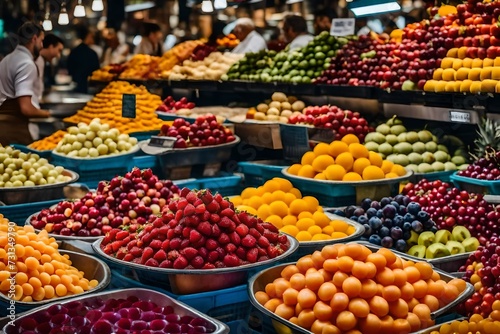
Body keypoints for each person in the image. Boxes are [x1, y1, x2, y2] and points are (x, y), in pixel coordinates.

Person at [0, 22, 51, 145]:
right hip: (13, 131)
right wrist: (48, 114)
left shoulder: (7, 59)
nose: (42, 45)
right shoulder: (26, 64)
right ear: (34, 38)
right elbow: (26, 108)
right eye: (41, 40)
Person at [67, 25, 100, 94]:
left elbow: (69, 69)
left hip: (75, 87)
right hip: (89, 88)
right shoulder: (92, 53)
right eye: (92, 36)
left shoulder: (74, 51)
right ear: (88, 36)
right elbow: (96, 72)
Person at [34, 33, 64, 105]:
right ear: (51, 47)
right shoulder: (37, 61)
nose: (58, 55)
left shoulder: (42, 61)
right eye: (59, 50)